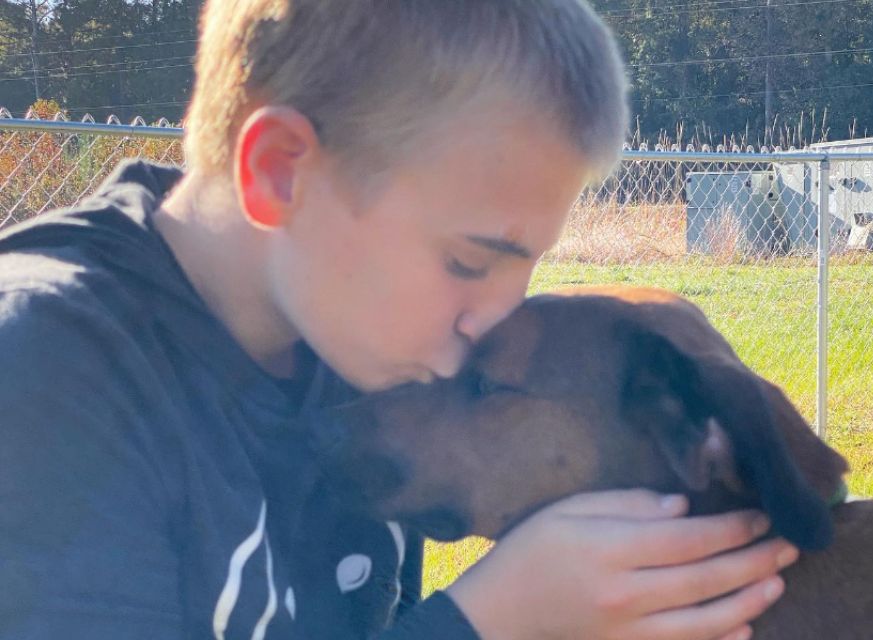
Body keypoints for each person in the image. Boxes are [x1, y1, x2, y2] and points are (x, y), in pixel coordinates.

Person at [0, 1, 799, 638]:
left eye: (527, 267)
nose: (493, 320)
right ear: (280, 170)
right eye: (467, 261)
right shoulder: (45, 369)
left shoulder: (352, 344)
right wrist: (491, 622)